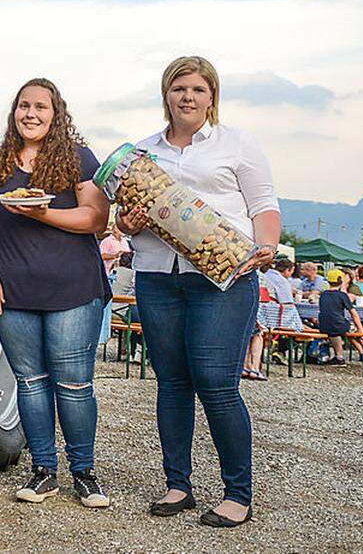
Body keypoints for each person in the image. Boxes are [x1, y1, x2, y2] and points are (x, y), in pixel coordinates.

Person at [117, 56, 280, 528]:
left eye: (198, 89)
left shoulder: (238, 144)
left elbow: (263, 205)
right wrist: (126, 225)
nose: (188, 97)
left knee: (215, 382)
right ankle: (178, 485)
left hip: (223, 276)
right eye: (179, 88)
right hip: (157, 275)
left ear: (212, 97)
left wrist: (266, 243)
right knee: (171, 383)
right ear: (165, 94)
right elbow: (129, 218)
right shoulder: (142, 153)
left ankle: (238, 493)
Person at [0, 78, 111, 508]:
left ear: (56, 113)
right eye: (24, 106)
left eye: (41, 107)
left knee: (74, 384)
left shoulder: (78, 159)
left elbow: (95, 218)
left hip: (73, 290)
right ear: (14, 112)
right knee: (30, 382)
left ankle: (84, 473)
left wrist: (44, 212)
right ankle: (43, 470)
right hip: (11, 290)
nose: (31, 114)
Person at [318, 269, 363, 365]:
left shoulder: (323, 295)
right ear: (341, 281)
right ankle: (362, 352)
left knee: (334, 329)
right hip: (338, 325)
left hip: (323, 325)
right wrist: (361, 330)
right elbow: (354, 314)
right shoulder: (342, 295)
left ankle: (339, 356)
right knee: (352, 329)